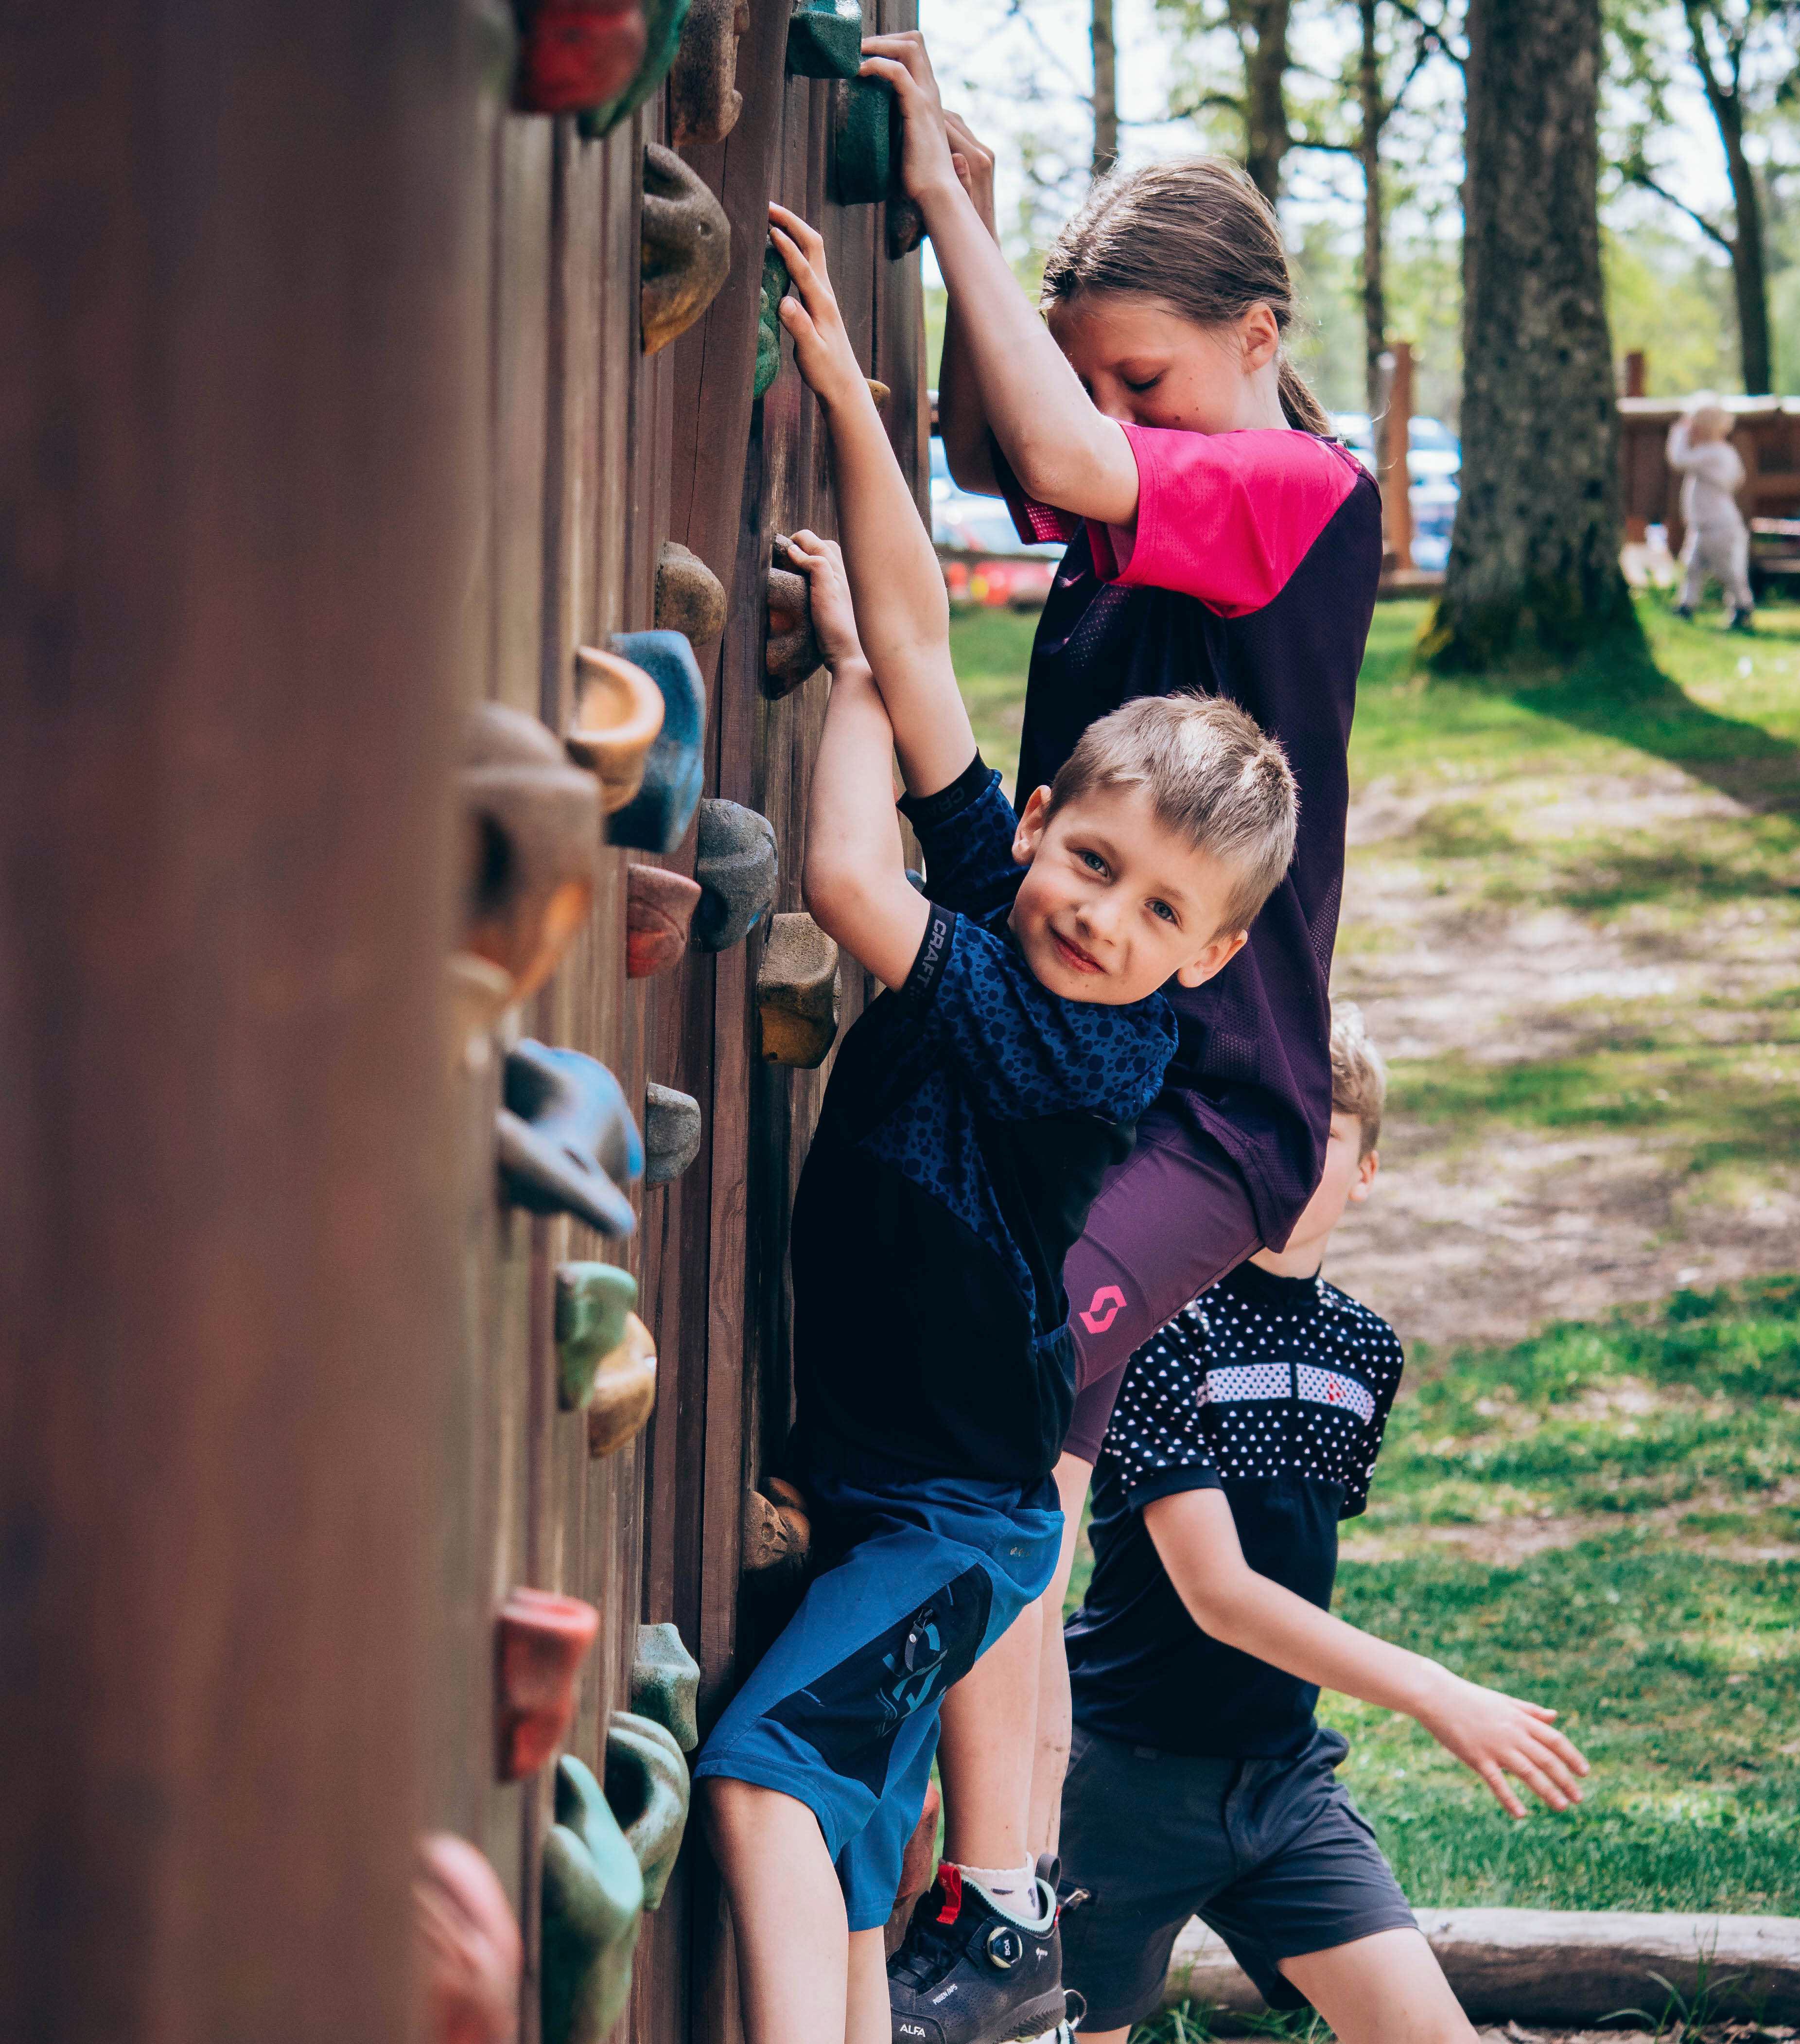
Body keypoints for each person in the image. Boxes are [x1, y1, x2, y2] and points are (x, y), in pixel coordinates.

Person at [692, 202, 1304, 2044]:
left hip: (951, 1527)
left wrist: (864, 692)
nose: (1101, 919)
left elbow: (842, 876)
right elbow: (930, 656)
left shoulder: (1081, 1049)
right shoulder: (1021, 891)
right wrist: (852, 413)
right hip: (897, 1493)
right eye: (1091, 863)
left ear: (1205, 961)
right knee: (861, 1827)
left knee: (761, 1770)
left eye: (1155, 917)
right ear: (1040, 822)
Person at [853, 34, 1383, 2035]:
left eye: (1141, 375)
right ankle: (943, 1858)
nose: (1104, 413)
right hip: (1093, 1065)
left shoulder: (1293, 490)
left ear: (1255, 339)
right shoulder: (1136, 498)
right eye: (1094, 374)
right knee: (975, 1407)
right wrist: (978, 238)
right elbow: (1016, 450)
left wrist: (937, 205)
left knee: (1014, 1406)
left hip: (1214, 1106)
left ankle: (1006, 1912)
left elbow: (1055, 456)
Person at [1050, 1004, 1590, 2044]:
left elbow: (1295, 1547)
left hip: (1283, 1783)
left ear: (1366, 1170)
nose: (1292, 1159)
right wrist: (1433, 1690)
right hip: (1121, 1783)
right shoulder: (1160, 1320)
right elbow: (1217, 1592)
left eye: (1323, 1135)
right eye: (1271, 1131)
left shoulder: (1367, 1349)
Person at [1667, 400, 1753, 630]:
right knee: (1692, 567)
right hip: (1705, 525)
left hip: (1719, 526)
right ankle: (1687, 605)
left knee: (1727, 570)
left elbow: (1678, 460)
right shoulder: (1724, 452)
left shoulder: (1711, 453)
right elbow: (1739, 477)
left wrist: (1678, 433)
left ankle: (1743, 605)